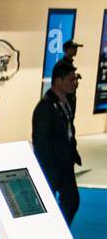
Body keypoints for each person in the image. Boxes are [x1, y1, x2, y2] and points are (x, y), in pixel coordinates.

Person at [32, 59, 81, 224]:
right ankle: (45, 236)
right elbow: (40, 140)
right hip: (52, 165)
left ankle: (61, 234)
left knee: (72, 201)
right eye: (70, 80)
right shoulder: (45, 107)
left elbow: (69, 131)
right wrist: (48, 166)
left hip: (65, 163)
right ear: (58, 81)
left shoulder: (66, 102)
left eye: (75, 79)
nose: (74, 83)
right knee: (45, 206)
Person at [61, 39, 82, 113]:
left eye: (76, 48)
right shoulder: (63, 64)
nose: (76, 50)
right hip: (66, 99)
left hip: (70, 98)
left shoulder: (69, 64)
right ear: (67, 50)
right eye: (74, 48)